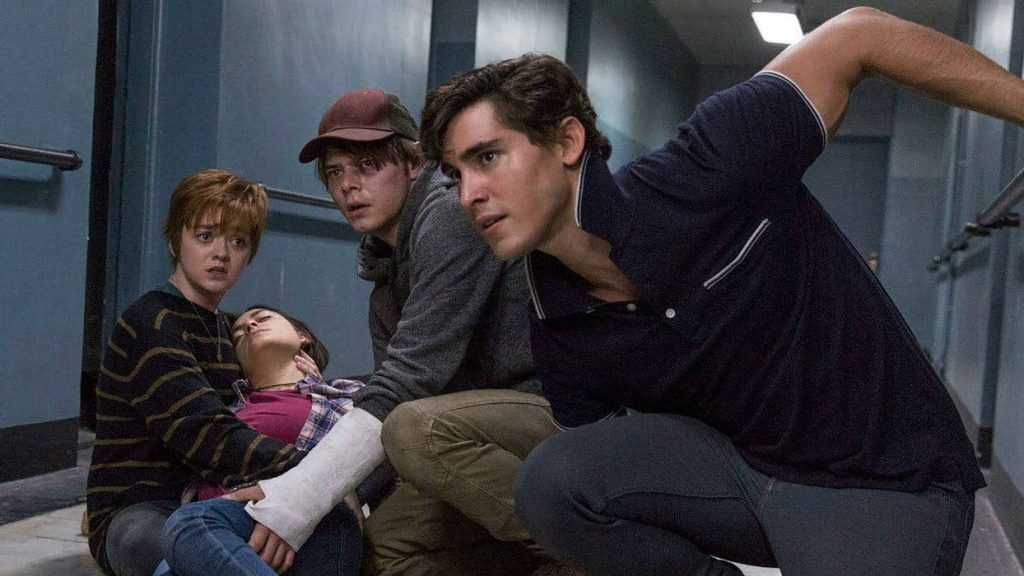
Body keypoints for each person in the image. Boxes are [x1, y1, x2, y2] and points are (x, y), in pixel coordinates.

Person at [417, 7, 1024, 575]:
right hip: (748, 474)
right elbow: (606, 464)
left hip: (884, 478)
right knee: (553, 482)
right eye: (455, 173)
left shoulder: (711, 163)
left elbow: (858, 34)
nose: (469, 194)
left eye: (487, 158)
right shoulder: (557, 321)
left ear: (567, 142)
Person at [230, 89, 556, 575]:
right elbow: (384, 410)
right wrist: (347, 494)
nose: (348, 185)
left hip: (550, 413)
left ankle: (595, 543)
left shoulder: (452, 215)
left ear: (414, 162)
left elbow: (407, 388)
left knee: (415, 429)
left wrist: (302, 495)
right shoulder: (385, 290)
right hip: (470, 439)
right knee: (382, 550)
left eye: (367, 165)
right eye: (335, 173)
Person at [86, 169, 308, 576]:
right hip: (143, 507)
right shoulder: (151, 322)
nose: (221, 253)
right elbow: (203, 431)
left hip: (214, 498)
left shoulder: (230, 329)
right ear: (176, 240)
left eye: (237, 242)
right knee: (184, 545)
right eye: (205, 236)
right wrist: (313, 470)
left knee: (315, 530)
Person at [155, 306, 366, 576]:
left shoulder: (343, 395)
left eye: (262, 318)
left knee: (188, 524)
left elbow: (374, 447)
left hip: (312, 523)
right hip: (222, 531)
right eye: (239, 335)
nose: (250, 327)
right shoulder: (221, 414)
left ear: (303, 337)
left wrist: (316, 385)